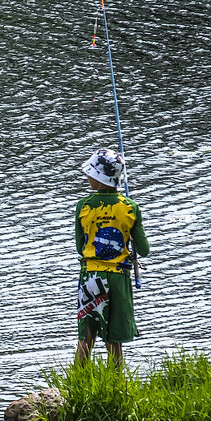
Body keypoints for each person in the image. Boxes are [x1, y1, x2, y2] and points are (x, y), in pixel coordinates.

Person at [74, 148, 149, 366]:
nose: (87, 176)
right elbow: (144, 250)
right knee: (114, 339)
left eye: (89, 173)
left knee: (86, 336)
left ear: (97, 176)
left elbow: (81, 248)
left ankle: (78, 381)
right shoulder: (130, 208)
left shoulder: (83, 206)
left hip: (90, 276)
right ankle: (116, 382)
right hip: (118, 278)